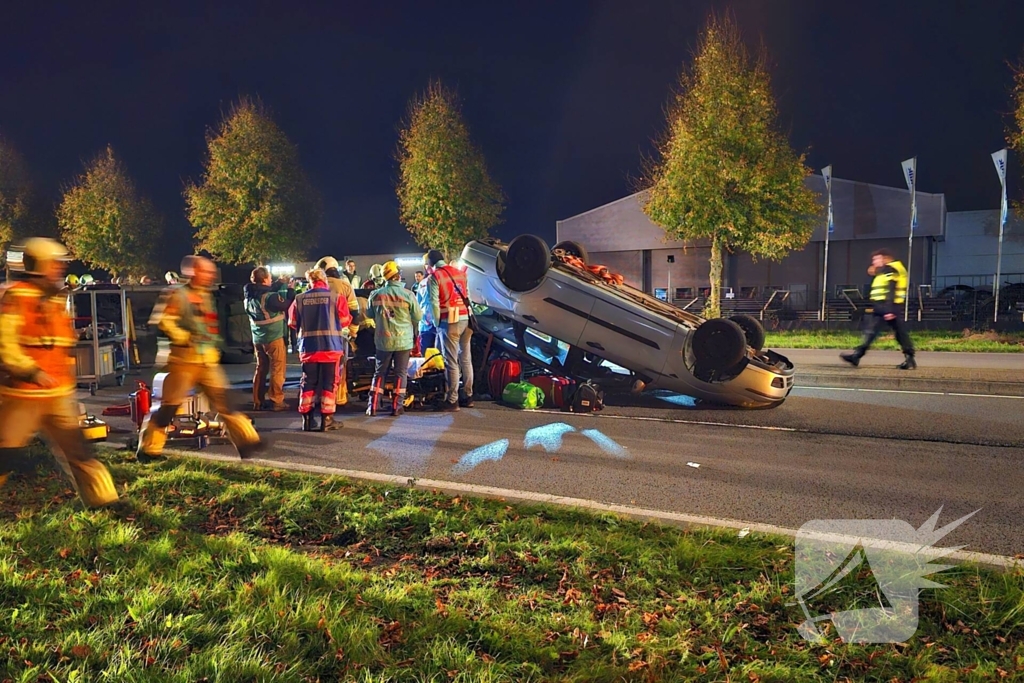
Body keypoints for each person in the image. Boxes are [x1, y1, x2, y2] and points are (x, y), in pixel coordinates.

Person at [0, 238, 119, 508]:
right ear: (40, 265)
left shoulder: (55, 298)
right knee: (4, 454)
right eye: (55, 264)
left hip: (57, 394)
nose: (60, 269)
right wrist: (31, 372)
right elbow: (5, 342)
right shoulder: (18, 296)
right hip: (24, 394)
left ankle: (105, 503)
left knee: (80, 452)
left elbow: (58, 341)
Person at [138, 255, 264, 461]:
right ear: (193, 272)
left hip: (206, 360)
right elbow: (163, 321)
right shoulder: (176, 295)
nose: (211, 276)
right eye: (206, 272)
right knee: (169, 408)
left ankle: (247, 442)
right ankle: (148, 450)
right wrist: (184, 337)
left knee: (225, 403)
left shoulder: (205, 295)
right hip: (183, 361)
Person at [289, 268, 351, 431]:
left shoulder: (299, 299)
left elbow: (293, 322)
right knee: (329, 384)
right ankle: (327, 420)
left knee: (308, 382)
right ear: (324, 280)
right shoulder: (336, 298)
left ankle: (307, 420)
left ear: (310, 281)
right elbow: (345, 321)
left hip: (308, 348)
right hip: (330, 347)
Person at [841, 249, 916, 370]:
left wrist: (888, 309)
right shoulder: (890, 269)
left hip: (888, 306)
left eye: (876, 259)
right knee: (895, 333)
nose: (874, 262)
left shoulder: (891, 269)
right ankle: (909, 359)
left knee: (876, 331)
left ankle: (857, 356)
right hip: (886, 306)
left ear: (885, 259)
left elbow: (891, 288)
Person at [366, 261, 422, 416]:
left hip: (383, 341)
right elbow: (418, 316)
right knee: (400, 373)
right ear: (398, 275)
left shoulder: (375, 294)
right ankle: (397, 406)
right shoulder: (408, 294)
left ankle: (373, 406)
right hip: (403, 342)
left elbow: (369, 314)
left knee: (380, 373)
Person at [425, 249, 474, 411]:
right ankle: (468, 396)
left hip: (449, 320)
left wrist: (437, 323)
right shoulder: (460, 273)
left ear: (431, 263)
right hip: (466, 319)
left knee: (451, 361)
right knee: (465, 359)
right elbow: (467, 296)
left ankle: (453, 400)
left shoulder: (435, 277)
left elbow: (434, 302)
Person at [244, 266, 295, 411]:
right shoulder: (270, 297)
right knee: (277, 369)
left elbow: (266, 290)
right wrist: (290, 290)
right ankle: (276, 400)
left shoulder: (249, 296)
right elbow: (285, 304)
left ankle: (258, 400)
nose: (271, 280)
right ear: (265, 279)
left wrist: (279, 282)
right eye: (270, 278)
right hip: (274, 337)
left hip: (258, 339)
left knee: (261, 369)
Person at [315, 256, 362, 409]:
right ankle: (339, 398)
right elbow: (355, 312)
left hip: (317, 335)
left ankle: (319, 397)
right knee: (339, 367)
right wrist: (353, 333)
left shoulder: (313, 287)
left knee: (319, 367)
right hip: (340, 334)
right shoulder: (345, 286)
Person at [416, 263, 437, 354]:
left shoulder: (440, 280)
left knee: (437, 354)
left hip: (437, 324)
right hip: (426, 324)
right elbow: (418, 303)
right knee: (426, 353)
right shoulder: (422, 283)